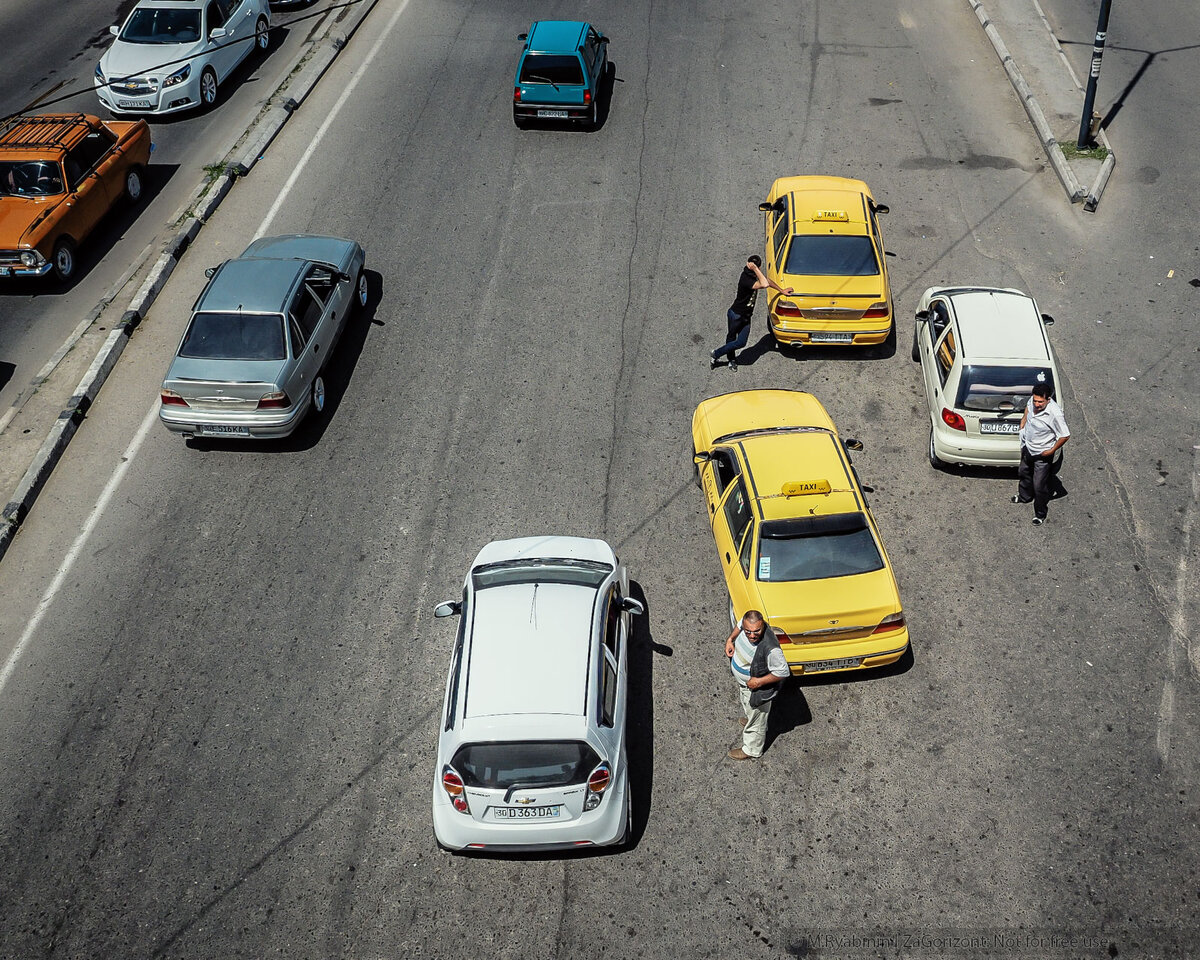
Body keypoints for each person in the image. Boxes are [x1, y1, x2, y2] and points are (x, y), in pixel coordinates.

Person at [724, 610, 789, 760]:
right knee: (751, 710)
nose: (752, 635)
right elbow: (739, 625)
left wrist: (758, 681)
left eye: (756, 631)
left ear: (763, 626)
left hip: (757, 690)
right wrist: (730, 639)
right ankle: (753, 721)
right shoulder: (746, 623)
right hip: (746, 686)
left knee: (757, 718)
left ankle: (751, 749)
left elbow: (783, 671)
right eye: (748, 631)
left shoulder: (771, 647)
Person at [710, 255, 791, 370]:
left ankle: (717, 354)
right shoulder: (745, 279)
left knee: (741, 342)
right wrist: (756, 269)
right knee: (732, 338)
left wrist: (781, 290)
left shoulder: (754, 275)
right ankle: (728, 358)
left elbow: (766, 280)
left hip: (746, 316)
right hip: (736, 315)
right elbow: (764, 284)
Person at [1012, 382, 1070, 525]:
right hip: (1027, 447)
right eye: (1035, 400)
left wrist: (1051, 450)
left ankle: (1040, 513)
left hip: (1042, 454)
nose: (1036, 404)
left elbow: (1065, 435)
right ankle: (1024, 496)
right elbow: (1027, 409)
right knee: (1023, 472)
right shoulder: (1032, 401)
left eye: (1040, 402)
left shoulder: (1055, 413)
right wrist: (1023, 424)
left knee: (1039, 485)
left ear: (1048, 400)